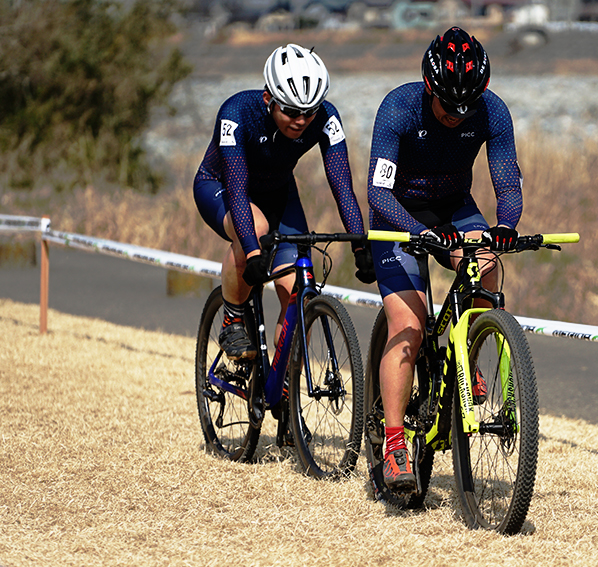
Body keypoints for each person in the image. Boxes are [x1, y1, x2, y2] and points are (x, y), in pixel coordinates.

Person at [367, 27, 523, 492]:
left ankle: (468, 350)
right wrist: (420, 233)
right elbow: (377, 191)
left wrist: (505, 228)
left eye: (466, 107)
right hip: (400, 214)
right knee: (409, 329)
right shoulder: (398, 106)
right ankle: (395, 443)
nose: (457, 116)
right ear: (429, 87)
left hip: (454, 204)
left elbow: (508, 184)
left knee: (489, 263)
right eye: (447, 106)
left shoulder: (492, 111)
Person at [194, 43, 375, 361]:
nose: (301, 121)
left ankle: (283, 389)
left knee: (299, 296)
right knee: (256, 228)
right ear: (269, 99)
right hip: (220, 187)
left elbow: (343, 189)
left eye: (310, 112)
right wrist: (252, 252)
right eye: (291, 111)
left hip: (279, 193)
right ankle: (233, 317)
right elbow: (238, 191)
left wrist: (361, 246)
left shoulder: (328, 119)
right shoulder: (236, 113)